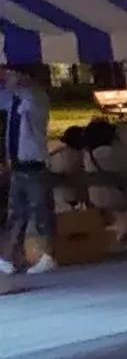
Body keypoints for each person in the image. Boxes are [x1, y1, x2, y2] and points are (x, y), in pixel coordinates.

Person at [1, 68, 56, 274]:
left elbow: (25, 94)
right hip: (18, 164)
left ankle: (47, 256)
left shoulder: (36, 97)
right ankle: (9, 257)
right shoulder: (14, 97)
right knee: (16, 213)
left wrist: (15, 80)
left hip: (34, 164)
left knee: (39, 211)